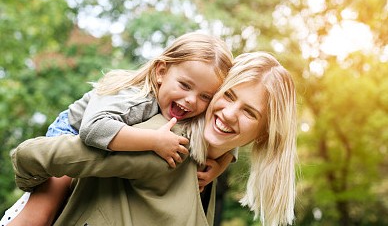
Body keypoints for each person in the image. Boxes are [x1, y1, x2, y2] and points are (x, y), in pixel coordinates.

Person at [10, 51, 298, 226]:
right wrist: (42, 193)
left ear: (263, 135)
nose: (231, 113)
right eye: (229, 96)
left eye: (249, 112)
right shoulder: (164, 143)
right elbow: (31, 155)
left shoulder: (208, 165)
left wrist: (224, 160)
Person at [0, 32, 234, 226]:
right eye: (185, 85)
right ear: (161, 72)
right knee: (43, 211)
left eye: (205, 96)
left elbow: (225, 136)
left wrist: (220, 165)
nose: (192, 100)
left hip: (108, 137)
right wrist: (154, 141)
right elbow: (93, 129)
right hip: (72, 130)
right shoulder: (136, 99)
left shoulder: (188, 108)